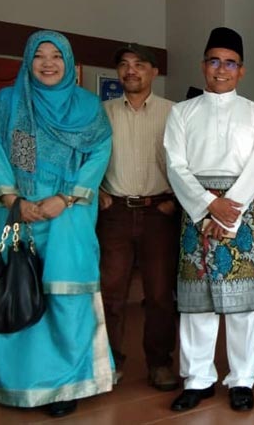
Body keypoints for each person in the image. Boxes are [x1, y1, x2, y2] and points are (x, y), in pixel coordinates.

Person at [0, 30, 114, 418]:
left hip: (68, 215)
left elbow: (99, 152)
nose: (48, 63)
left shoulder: (87, 107)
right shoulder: (12, 102)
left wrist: (65, 196)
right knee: (19, 292)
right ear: (28, 61)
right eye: (40, 56)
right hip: (19, 214)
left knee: (65, 298)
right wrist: (14, 199)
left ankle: (66, 385)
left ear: (69, 63)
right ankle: (23, 383)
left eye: (57, 56)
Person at [164, 27, 254, 413]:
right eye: (214, 61)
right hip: (198, 212)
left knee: (243, 307)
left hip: (242, 213)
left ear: (241, 70)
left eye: (230, 63)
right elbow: (175, 166)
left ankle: (242, 380)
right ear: (203, 65)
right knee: (198, 304)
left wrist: (230, 209)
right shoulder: (182, 112)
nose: (221, 70)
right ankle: (198, 379)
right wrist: (209, 205)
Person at [97, 43, 179, 391]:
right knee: (110, 293)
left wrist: (175, 200)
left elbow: (188, 163)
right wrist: (97, 190)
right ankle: (110, 362)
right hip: (113, 211)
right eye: (125, 64)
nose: (131, 70)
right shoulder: (100, 112)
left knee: (159, 295)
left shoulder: (174, 112)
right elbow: (86, 157)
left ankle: (160, 363)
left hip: (158, 212)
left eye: (139, 64)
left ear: (153, 72)